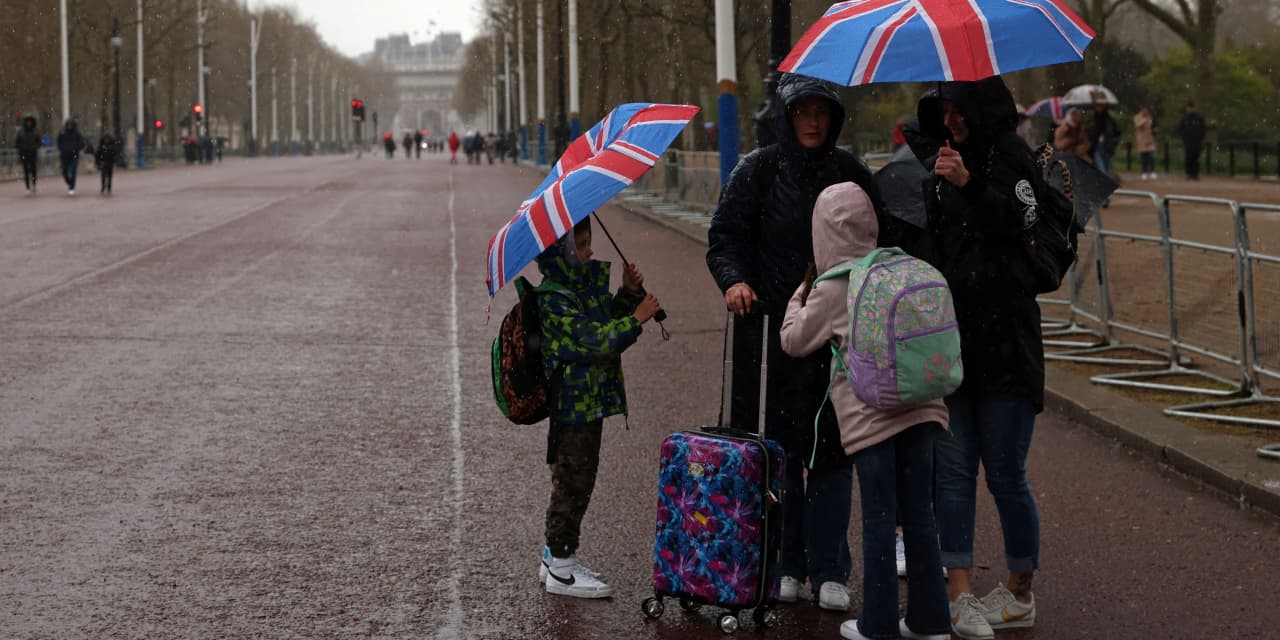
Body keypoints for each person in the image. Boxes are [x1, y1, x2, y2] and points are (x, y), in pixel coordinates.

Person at [706, 72, 916, 612]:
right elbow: (725, 237)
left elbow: (882, 236)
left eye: (823, 112)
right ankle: (785, 563)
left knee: (832, 453)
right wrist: (735, 281)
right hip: (776, 339)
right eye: (804, 112)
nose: (814, 121)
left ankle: (829, 568)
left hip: (841, 338)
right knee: (780, 454)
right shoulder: (758, 170)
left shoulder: (850, 173)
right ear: (787, 117)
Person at [779, 182, 951, 640]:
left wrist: (798, 296)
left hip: (872, 419)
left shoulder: (835, 285)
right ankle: (931, 619)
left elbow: (794, 341)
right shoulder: (902, 266)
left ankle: (878, 624)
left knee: (878, 517)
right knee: (918, 516)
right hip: (924, 409)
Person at [912, 75, 1051, 640]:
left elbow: (1021, 229)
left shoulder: (1017, 163)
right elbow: (938, 248)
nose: (952, 121)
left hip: (1008, 344)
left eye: (960, 109)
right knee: (952, 471)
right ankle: (959, 590)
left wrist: (970, 185)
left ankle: (1020, 590)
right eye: (945, 110)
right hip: (954, 341)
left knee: (1006, 473)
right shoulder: (941, 166)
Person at [535, 217, 662, 599]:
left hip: (587, 404)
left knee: (576, 480)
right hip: (572, 408)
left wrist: (627, 293)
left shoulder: (575, 286)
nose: (590, 251)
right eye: (582, 245)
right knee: (573, 484)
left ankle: (554, 557)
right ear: (563, 250)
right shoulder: (553, 298)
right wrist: (637, 320)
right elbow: (595, 340)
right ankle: (562, 566)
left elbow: (603, 318)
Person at [1089, 103, 1121, 176]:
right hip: (1097, 147)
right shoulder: (1093, 119)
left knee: (1107, 171)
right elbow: (1090, 134)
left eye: (1101, 106)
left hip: (1108, 148)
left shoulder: (1110, 120)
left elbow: (1117, 134)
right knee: (1102, 171)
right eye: (1097, 106)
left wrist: (1114, 143)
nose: (1099, 108)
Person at [1178, 102, 1207, 180]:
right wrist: (1184, 138)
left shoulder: (1199, 118)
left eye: (1192, 108)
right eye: (1189, 108)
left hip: (1197, 142)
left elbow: (1203, 129)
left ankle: (1195, 174)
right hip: (1188, 142)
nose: (1191, 109)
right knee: (1188, 158)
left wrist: (1201, 138)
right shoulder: (1184, 119)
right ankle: (1189, 173)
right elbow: (1180, 129)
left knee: (1196, 158)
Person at [56, 118, 85, 196]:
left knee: (73, 171)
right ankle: (69, 183)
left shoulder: (77, 134)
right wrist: (62, 149)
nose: (69, 126)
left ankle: (72, 187)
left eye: (71, 125)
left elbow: (82, 143)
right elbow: (59, 142)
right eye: (68, 125)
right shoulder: (62, 133)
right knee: (64, 172)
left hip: (74, 156)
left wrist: (76, 149)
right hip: (64, 156)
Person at [14, 115, 41, 194]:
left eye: (30, 122)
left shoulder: (35, 131)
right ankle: (27, 187)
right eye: (27, 122)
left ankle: (34, 184)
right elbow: (17, 143)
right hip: (24, 154)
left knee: (33, 170)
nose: (29, 123)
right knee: (25, 170)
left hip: (33, 154)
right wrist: (23, 147)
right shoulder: (21, 132)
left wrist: (34, 147)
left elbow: (39, 143)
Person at [1134, 106, 1158, 180]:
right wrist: (1144, 119)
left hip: (1150, 140)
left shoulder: (1150, 117)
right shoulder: (1137, 117)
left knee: (1152, 156)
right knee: (1144, 158)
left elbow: (1152, 127)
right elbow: (1138, 125)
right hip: (1142, 141)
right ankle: (1144, 172)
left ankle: (1152, 171)